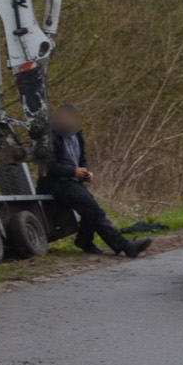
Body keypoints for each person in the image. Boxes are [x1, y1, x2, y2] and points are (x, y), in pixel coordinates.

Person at [38, 103, 151, 258]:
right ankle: (123, 246)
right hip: (55, 182)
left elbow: (82, 160)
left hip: (73, 182)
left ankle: (88, 241)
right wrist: (73, 171)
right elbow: (49, 166)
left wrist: (86, 172)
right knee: (93, 209)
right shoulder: (49, 137)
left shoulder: (77, 135)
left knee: (93, 210)